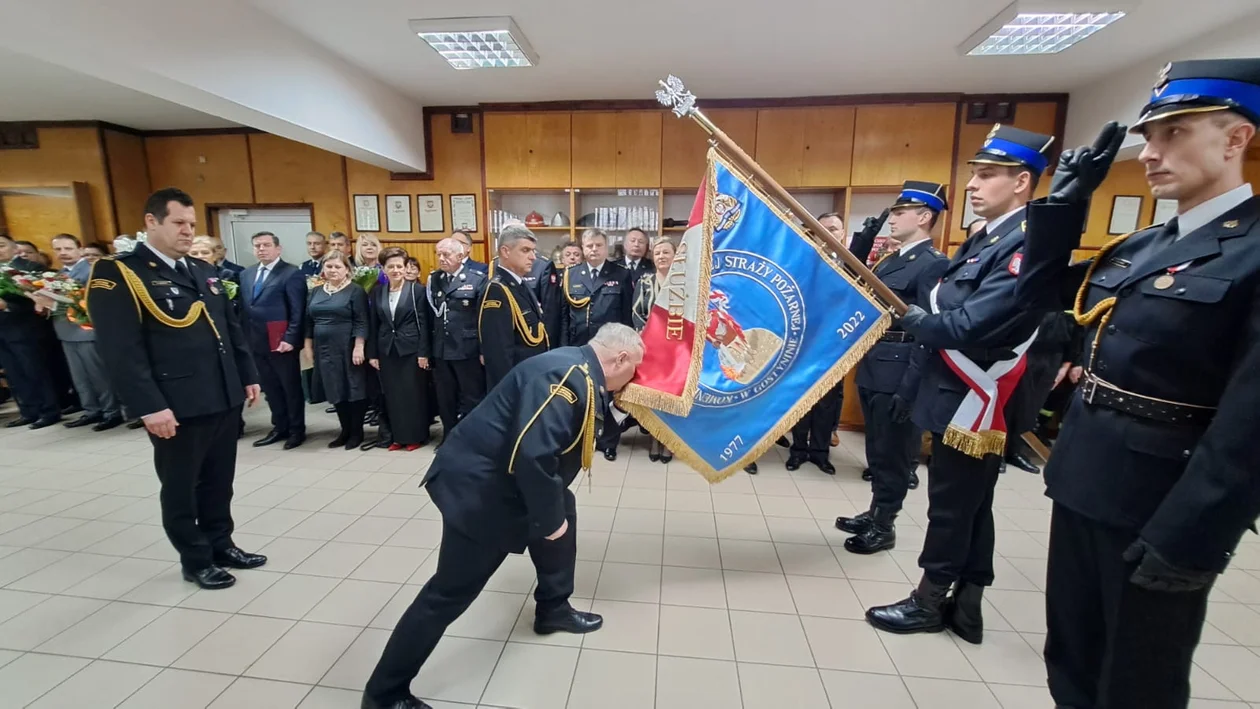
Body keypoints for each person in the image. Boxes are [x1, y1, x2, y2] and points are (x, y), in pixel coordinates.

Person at [1021, 59, 1260, 709]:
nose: (1150, 154)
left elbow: (1250, 422)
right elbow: (1035, 300)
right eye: (1148, 137)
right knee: (1071, 660)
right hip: (1083, 482)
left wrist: (1191, 538)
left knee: (1136, 683)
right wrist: (1062, 208)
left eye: (1174, 134)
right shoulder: (1142, 246)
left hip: (1164, 505)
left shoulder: (1251, 250)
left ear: (1235, 138)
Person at [362, 323, 645, 709]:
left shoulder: (580, 367)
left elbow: (581, 435)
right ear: (621, 358)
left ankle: (553, 608)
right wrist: (549, 523)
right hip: (482, 491)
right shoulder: (565, 377)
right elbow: (534, 455)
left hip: (505, 480)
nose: (635, 379)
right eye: (634, 370)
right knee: (447, 593)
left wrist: (554, 514)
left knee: (563, 508)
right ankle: (384, 693)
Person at [865, 125, 1059, 642]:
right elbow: (957, 307)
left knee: (951, 504)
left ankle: (929, 601)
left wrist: (914, 319)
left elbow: (969, 322)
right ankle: (967, 600)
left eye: (987, 175)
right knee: (973, 503)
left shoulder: (1025, 241)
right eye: (973, 174)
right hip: (954, 388)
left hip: (975, 395)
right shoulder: (987, 237)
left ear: (1022, 182)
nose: (972, 185)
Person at [87, 187, 265, 590]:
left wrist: (247, 375)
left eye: (191, 224)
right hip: (176, 403)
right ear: (151, 222)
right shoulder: (121, 274)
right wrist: (149, 406)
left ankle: (221, 543)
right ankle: (195, 558)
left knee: (219, 480)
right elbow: (120, 350)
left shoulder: (201, 271)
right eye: (178, 223)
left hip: (220, 395)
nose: (187, 232)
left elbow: (229, 330)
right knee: (182, 486)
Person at [836, 182, 950, 555]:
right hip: (875, 364)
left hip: (902, 369)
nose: (893, 217)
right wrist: (863, 239)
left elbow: (929, 332)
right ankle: (875, 511)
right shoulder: (892, 259)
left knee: (897, 453)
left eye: (901, 211)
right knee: (878, 449)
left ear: (923, 217)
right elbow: (854, 280)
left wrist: (911, 386)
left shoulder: (934, 264)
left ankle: (885, 525)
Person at [37, 234, 124, 431]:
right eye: (58, 249)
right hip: (65, 332)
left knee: (98, 375)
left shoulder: (93, 271)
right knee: (80, 377)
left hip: (87, 332)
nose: (63, 253)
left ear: (79, 248)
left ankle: (111, 412)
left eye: (67, 248)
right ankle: (91, 410)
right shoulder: (57, 275)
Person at [560, 228, 634, 461]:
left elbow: (626, 316)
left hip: (609, 347)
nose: (593, 249)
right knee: (579, 392)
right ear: (583, 248)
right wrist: (562, 347)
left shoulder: (621, 274)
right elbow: (563, 315)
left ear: (606, 247)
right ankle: (580, 437)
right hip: (578, 344)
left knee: (609, 395)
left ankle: (608, 440)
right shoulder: (571, 274)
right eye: (589, 245)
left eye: (598, 245)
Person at [241, 232, 308, 449]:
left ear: (278, 249)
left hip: (281, 341)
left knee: (289, 388)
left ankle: (297, 430)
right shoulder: (247, 274)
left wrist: (291, 337)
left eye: (266, 245)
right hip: (256, 340)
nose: (261, 249)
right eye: (257, 245)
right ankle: (280, 426)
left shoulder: (290, 273)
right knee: (270, 388)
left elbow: (298, 311)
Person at [305, 250, 370, 450]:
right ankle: (345, 430)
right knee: (334, 388)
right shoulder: (316, 291)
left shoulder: (355, 290)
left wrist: (359, 346)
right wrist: (308, 346)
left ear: (347, 270)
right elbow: (308, 321)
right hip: (323, 348)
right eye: (329, 266)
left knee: (353, 388)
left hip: (347, 346)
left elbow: (361, 320)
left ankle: (357, 432)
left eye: (337, 267)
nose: (333, 270)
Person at [367, 248, 431, 451]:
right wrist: (373, 353)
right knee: (392, 395)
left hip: (411, 350)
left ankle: (416, 436)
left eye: (399, 266)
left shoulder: (416, 291)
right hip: (387, 350)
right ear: (383, 269)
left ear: (406, 268)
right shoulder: (378, 291)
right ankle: (398, 437)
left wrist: (424, 352)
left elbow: (425, 324)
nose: (395, 270)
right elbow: (374, 324)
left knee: (413, 395)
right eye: (391, 266)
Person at [424, 237, 489, 438]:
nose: (441, 258)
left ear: (461, 256)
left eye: (446, 254)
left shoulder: (476, 279)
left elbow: (483, 320)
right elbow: (429, 317)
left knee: (472, 397)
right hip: (442, 349)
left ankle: (472, 438)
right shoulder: (435, 279)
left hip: (466, 348)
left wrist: (483, 350)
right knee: (445, 398)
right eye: (439, 254)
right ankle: (449, 436)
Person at [0, 234, 62, 428]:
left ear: (14, 248)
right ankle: (28, 410)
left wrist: (7, 305)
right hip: (3, 330)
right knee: (14, 372)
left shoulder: (30, 269)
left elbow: (39, 300)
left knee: (33, 370)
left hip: (24, 328)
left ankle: (49, 410)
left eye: (1, 245)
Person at [480, 224, 550, 389]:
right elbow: (498, 354)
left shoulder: (519, 284)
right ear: (505, 251)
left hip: (530, 376)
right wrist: (508, 391)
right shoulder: (497, 290)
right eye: (525, 250)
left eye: (533, 251)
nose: (533, 257)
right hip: (516, 383)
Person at [632, 237, 676, 463]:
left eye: (666, 252)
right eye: (657, 253)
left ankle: (668, 440)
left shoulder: (684, 283)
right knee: (652, 396)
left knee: (670, 396)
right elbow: (637, 312)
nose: (661, 256)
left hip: (678, 351)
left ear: (675, 256)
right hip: (651, 350)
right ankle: (654, 438)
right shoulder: (645, 281)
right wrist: (650, 336)